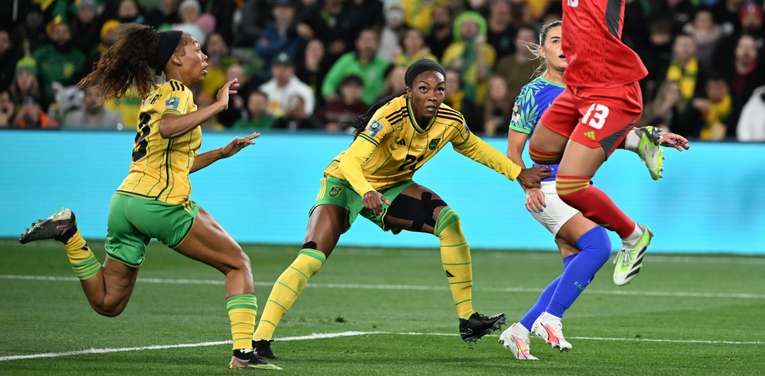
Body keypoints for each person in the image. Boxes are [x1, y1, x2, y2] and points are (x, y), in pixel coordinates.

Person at [250, 59, 550, 360]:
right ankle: (260, 339)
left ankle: (467, 319)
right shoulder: (389, 116)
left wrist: (516, 172)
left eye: (440, 89)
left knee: (449, 222)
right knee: (311, 257)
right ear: (408, 92)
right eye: (424, 88)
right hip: (345, 183)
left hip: (391, 187)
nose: (433, 95)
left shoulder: (450, 120)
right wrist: (366, 190)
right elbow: (351, 161)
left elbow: (473, 147)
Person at [18, 25, 273, 369]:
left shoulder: (154, 94)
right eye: (196, 48)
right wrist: (218, 106)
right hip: (160, 204)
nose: (205, 56)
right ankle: (243, 353)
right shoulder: (178, 91)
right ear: (175, 59)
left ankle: (69, 233)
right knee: (237, 263)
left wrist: (221, 153)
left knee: (109, 302)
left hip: (126, 203)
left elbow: (172, 159)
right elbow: (169, 127)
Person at [505, 0, 663, 285]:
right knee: (540, 152)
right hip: (579, 88)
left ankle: (634, 235)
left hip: (611, 90)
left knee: (573, 185)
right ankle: (636, 140)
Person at [500, 20, 687, 359]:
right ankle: (549, 319)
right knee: (599, 245)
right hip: (547, 186)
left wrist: (655, 136)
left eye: (568, 41)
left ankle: (521, 329)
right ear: (542, 51)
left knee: (575, 268)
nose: (563, 47)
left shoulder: (586, 91)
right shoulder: (532, 93)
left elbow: (606, 134)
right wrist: (525, 186)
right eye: (555, 41)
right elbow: (513, 150)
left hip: (574, 186)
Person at [259, 51, 315, 118]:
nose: (281, 70)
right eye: (278, 67)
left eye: (286, 67)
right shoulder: (264, 89)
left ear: (293, 70)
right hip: (269, 127)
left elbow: (308, 113)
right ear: (272, 69)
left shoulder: (304, 90)